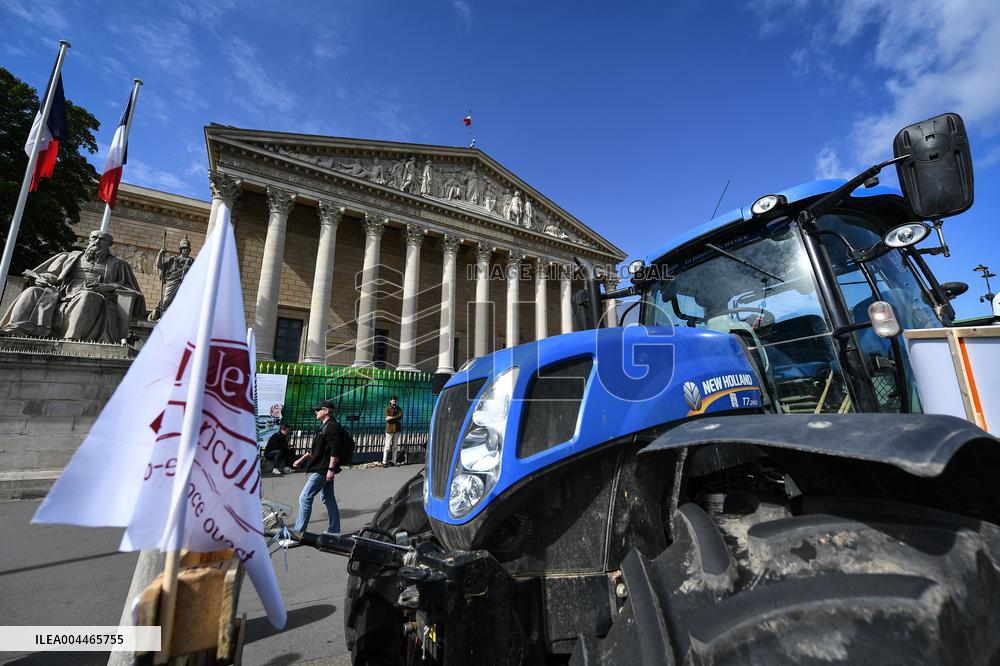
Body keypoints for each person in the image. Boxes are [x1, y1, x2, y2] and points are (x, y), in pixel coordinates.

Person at [0, 230, 145, 342]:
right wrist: (44, 279)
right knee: (32, 291)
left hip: (97, 294)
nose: (97, 241)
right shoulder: (70, 256)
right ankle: (18, 328)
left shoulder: (119, 265)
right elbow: (51, 274)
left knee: (87, 296)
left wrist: (106, 287)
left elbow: (131, 289)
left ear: (109, 244)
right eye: (94, 238)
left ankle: (71, 339)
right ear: (89, 240)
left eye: (102, 239)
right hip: (62, 290)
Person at [281, 399, 343, 547]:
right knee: (328, 498)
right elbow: (316, 450)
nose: (315, 411)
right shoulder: (323, 426)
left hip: (322, 469)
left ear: (326, 411)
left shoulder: (332, 426)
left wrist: (331, 469)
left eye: (318, 409)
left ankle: (298, 535)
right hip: (321, 467)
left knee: (305, 498)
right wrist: (302, 459)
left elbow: (335, 449)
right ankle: (334, 530)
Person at [383, 395, 403, 467]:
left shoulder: (399, 408)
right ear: (390, 401)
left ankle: (394, 461)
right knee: (387, 446)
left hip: (397, 429)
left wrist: (391, 417)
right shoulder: (387, 409)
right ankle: (384, 462)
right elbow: (387, 418)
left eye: (395, 400)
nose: (394, 401)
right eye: (393, 400)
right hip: (389, 429)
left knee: (395, 446)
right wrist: (396, 418)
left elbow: (401, 416)